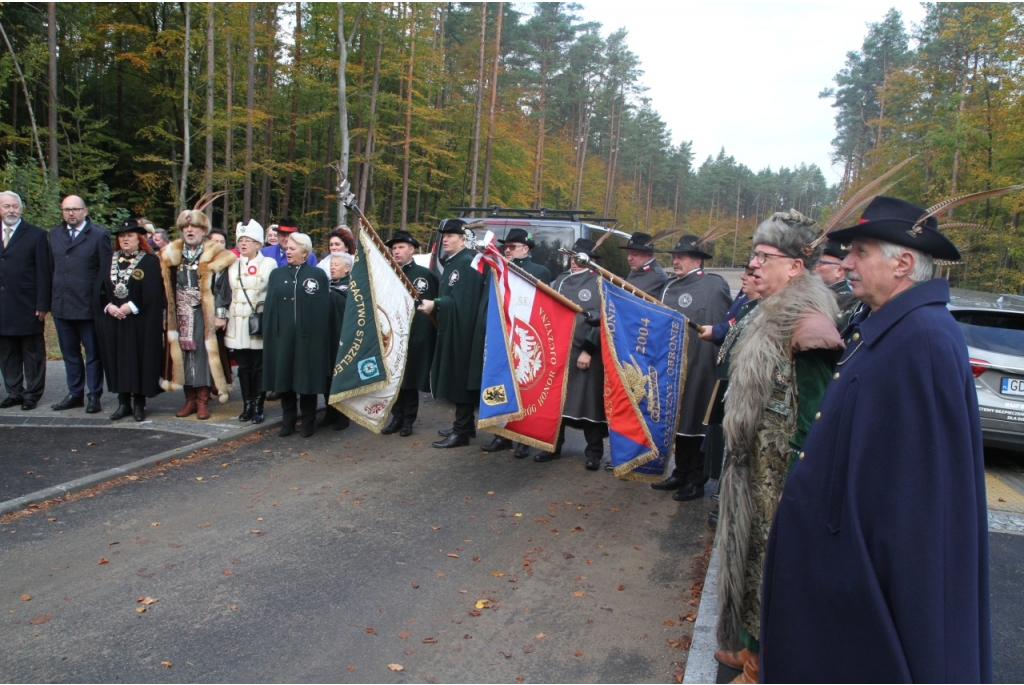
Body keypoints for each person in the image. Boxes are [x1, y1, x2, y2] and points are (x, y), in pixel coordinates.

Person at [759, 196, 991, 683]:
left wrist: (860, 578)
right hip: (842, 563)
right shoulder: (886, 326)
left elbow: (917, 503)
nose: (846, 263)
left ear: (903, 262)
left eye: (860, 251)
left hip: (869, 579)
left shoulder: (922, 337)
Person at [714, 210, 844, 684]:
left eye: (764, 256)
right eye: (754, 254)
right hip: (753, 466)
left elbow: (816, 416)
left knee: (774, 568)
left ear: (794, 266)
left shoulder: (808, 325)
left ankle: (765, 665)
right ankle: (748, 646)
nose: (754, 264)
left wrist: (801, 484)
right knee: (747, 560)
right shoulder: (765, 311)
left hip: (780, 475)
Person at [651, 235, 731, 501]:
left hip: (702, 365)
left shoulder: (712, 285)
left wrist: (712, 365)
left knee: (697, 420)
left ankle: (697, 479)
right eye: (674, 256)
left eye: (681, 257)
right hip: (672, 365)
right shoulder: (668, 286)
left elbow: (720, 327)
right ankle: (680, 471)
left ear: (697, 260)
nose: (675, 260)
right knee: (679, 422)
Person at [531, 238, 607, 469]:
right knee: (556, 400)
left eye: (579, 258)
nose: (574, 262)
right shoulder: (561, 281)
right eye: (572, 258)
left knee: (589, 402)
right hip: (559, 351)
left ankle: (593, 453)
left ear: (591, 260)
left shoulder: (601, 282)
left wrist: (588, 350)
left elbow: (604, 320)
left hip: (586, 352)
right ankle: (552, 447)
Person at [159, 208, 236, 420]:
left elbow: (222, 287)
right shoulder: (172, 254)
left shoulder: (214, 254)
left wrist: (221, 314)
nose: (189, 230)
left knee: (203, 354)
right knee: (182, 354)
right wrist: (166, 315)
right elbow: (165, 288)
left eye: (194, 227)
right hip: (180, 313)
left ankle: (203, 400)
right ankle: (189, 399)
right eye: (186, 227)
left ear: (204, 230)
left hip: (204, 313)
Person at [419, 219, 486, 448]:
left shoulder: (466, 262)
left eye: (451, 235)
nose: (445, 239)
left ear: (463, 239)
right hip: (452, 328)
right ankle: (465, 425)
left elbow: (465, 304)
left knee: (460, 380)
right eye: (444, 235)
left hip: (463, 333)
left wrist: (436, 303)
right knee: (456, 378)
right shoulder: (453, 262)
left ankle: (462, 432)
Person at [262, 232, 332, 437]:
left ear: (304, 251)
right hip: (282, 337)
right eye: (287, 248)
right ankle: (288, 420)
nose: (287, 251)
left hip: (308, 339)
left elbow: (321, 310)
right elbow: (270, 308)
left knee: (306, 380)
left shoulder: (317, 275)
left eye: (292, 248)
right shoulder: (277, 274)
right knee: (284, 379)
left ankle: (308, 421)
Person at [94, 220, 165, 421]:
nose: (125, 239)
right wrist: (109, 306)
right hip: (115, 319)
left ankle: (139, 403)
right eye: (122, 236)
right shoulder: (109, 259)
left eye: (130, 235)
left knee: (139, 359)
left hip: (138, 320)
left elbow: (153, 291)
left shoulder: (149, 261)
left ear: (139, 239)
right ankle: (123, 402)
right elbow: (99, 288)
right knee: (117, 359)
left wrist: (132, 306)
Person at [49, 194, 112, 414]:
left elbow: (105, 273)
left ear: (85, 211)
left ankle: (94, 394)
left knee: (93, 354)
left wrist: (102, 302)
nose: (71, 213)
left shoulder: (98, 235)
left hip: (88, 306)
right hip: (62, 304)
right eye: (67, 210)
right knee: (70, 353)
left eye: (75, 209)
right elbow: (51, 268)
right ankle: (75, 393)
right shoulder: (54, 234)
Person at [381, 230, 438, 437]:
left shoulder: (425, 275)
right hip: (392, 335)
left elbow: (432, 307)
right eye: (394, 248)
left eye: (401, 247)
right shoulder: (386, 274)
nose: (396, 251)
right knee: (395, 377)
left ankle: (408, 420)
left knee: (411, 377)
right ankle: (396, 417)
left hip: (415, 335)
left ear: (412, 249)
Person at [0, 191, 51, 410]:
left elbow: (44, 271)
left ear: (21, 209)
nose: (11, 210)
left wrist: (42, 303)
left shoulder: (36, 235)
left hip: (28, 304)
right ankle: (14, 392)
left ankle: (32, 394)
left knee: (32, 353)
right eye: (6, 206)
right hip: (3, 305)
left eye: (15, 206)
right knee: (7, 353)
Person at [224, 219, 276, 424]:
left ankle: (258, 406)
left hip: (258, 324)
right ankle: (247, 406)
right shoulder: (232, 264)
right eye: (240, 240)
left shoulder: (269, 264)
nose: (243, 244)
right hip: (237, 324)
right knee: (243, 368)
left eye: (248, 240)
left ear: (258, 243)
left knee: (259, 367)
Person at [321, 251, 353, 431]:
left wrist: (329, 295)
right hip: (327, 336)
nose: (332, 267)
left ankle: (343, 415)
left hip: (342, 338)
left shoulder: (351, 287)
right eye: (331, 264)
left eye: (336, 265)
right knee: (327, 377)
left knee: (339, 376)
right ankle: (329, 412)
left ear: (347, 268)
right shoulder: (330, 285)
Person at [815, 238, 859, 326]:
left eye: (820, 263)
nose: (813, 267)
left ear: (839, 271)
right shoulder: (819, 295)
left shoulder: (848, 301)